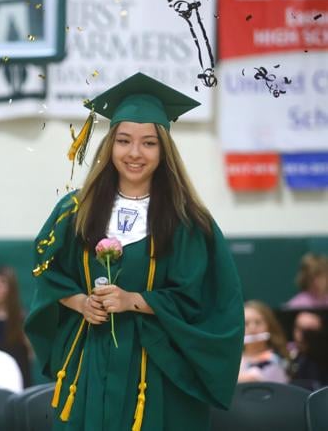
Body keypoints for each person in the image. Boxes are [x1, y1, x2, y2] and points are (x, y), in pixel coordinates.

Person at [24, 73, 244, 430]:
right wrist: (80, 302)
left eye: (149, 143)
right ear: (110, 145)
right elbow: (44, 268)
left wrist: (134, 301)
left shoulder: (187, 221)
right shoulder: (75, 210)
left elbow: (203, 299)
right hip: (91, 360)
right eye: (124, 141)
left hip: (156, 365)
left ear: (164, 150)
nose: (134, 153)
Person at [0, 266, 33, 387]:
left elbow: (30, 354)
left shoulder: (21, 318)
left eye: (0, 283)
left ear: (11, 288)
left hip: (16, 380)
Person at [238, 301, 289, 383]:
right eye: (246, 324)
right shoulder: (235, 358)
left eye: (258, 323)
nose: (252, 328)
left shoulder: (275, 359)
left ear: (269, 326)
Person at [288, 310, 328, 389]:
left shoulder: (320, 364)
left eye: (309, 331)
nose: (300, 337)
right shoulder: (289, 354)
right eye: (298, 328)